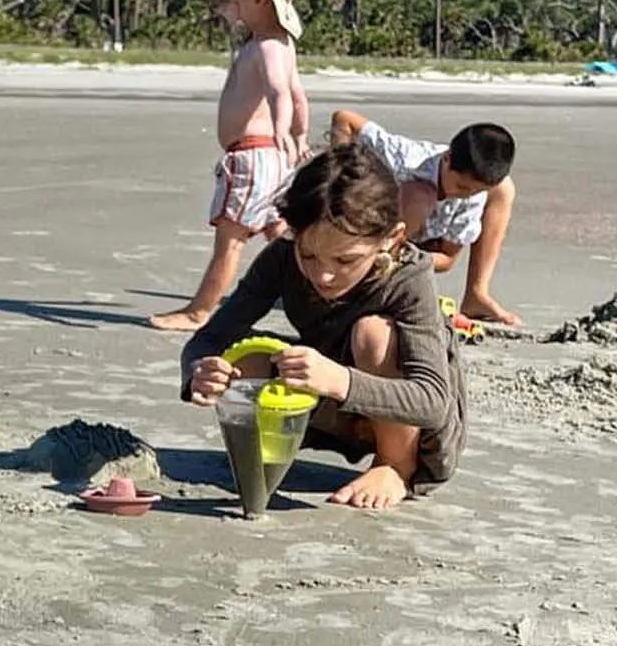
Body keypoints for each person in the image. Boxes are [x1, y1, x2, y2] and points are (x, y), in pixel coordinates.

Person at [181, 140, 467, 511]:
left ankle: (395, 467)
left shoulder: (408, 277)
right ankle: (263, 461)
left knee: (373, 335)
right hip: (330, 400)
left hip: (413, 425)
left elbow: (432, 402)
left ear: (392, 238)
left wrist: (338, 380)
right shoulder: (282, 259)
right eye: (309, 254)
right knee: (244, 357)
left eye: (345, 259)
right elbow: (208, 340)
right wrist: (198, 374)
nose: (324, 274)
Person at [150, 0, 310, 331]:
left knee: (231, 237)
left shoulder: (268, 48)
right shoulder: (279, 43)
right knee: (278, 232)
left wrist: (280, 132)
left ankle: (199, 311)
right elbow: (298, 96)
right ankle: (317, 295)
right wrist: (299, 138)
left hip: (254, 156)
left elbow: (279, 93)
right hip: (270, 157)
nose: (228, 1)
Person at [328, 109, 519, 326]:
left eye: (475, 191)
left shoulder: (472, 197)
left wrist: (409, 256)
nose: (464, 195)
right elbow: (344, 119)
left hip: (411, 250)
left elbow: (447, 259)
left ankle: (476, 294)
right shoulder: (405, 158)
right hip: (377, 226)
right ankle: (360, 278)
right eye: (461, 186)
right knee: (421, 194)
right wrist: (342, 187)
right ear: (447, 158)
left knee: (505, 188)